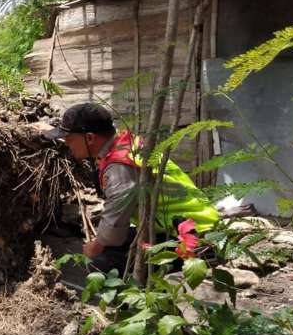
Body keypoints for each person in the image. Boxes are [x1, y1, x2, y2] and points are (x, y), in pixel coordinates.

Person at [44, 103, 219, 273]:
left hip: (194, 237)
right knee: (119, 240)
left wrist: (95, 247)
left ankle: (135, 299)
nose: (67, 144)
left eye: (69, 139)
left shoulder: (120, 166)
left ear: (90, 138)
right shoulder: (125, 145)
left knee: (100, 263)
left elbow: (114, 224)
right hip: (189, 224)